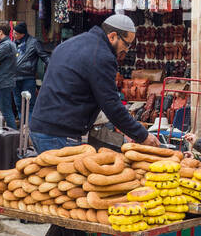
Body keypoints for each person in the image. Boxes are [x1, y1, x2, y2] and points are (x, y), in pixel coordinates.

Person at [28, 13, 159, 152]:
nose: (126, 50)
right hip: (59, 134)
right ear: (112, 36)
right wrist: (142, 135)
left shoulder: (71, 43)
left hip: (41, 127)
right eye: (126, 44)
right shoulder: (102, 56)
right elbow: (111, 105)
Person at [12, 21, 47, 120]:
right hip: (14, 78)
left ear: (22, 34)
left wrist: (53, 69)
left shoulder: (34, 42)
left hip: (27, 78)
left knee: (29, 105)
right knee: (18, 104)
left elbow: (44, 57)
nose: (13, 35)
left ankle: (30, 129)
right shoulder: (14, 44)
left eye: (16, 34)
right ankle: (23, 128)